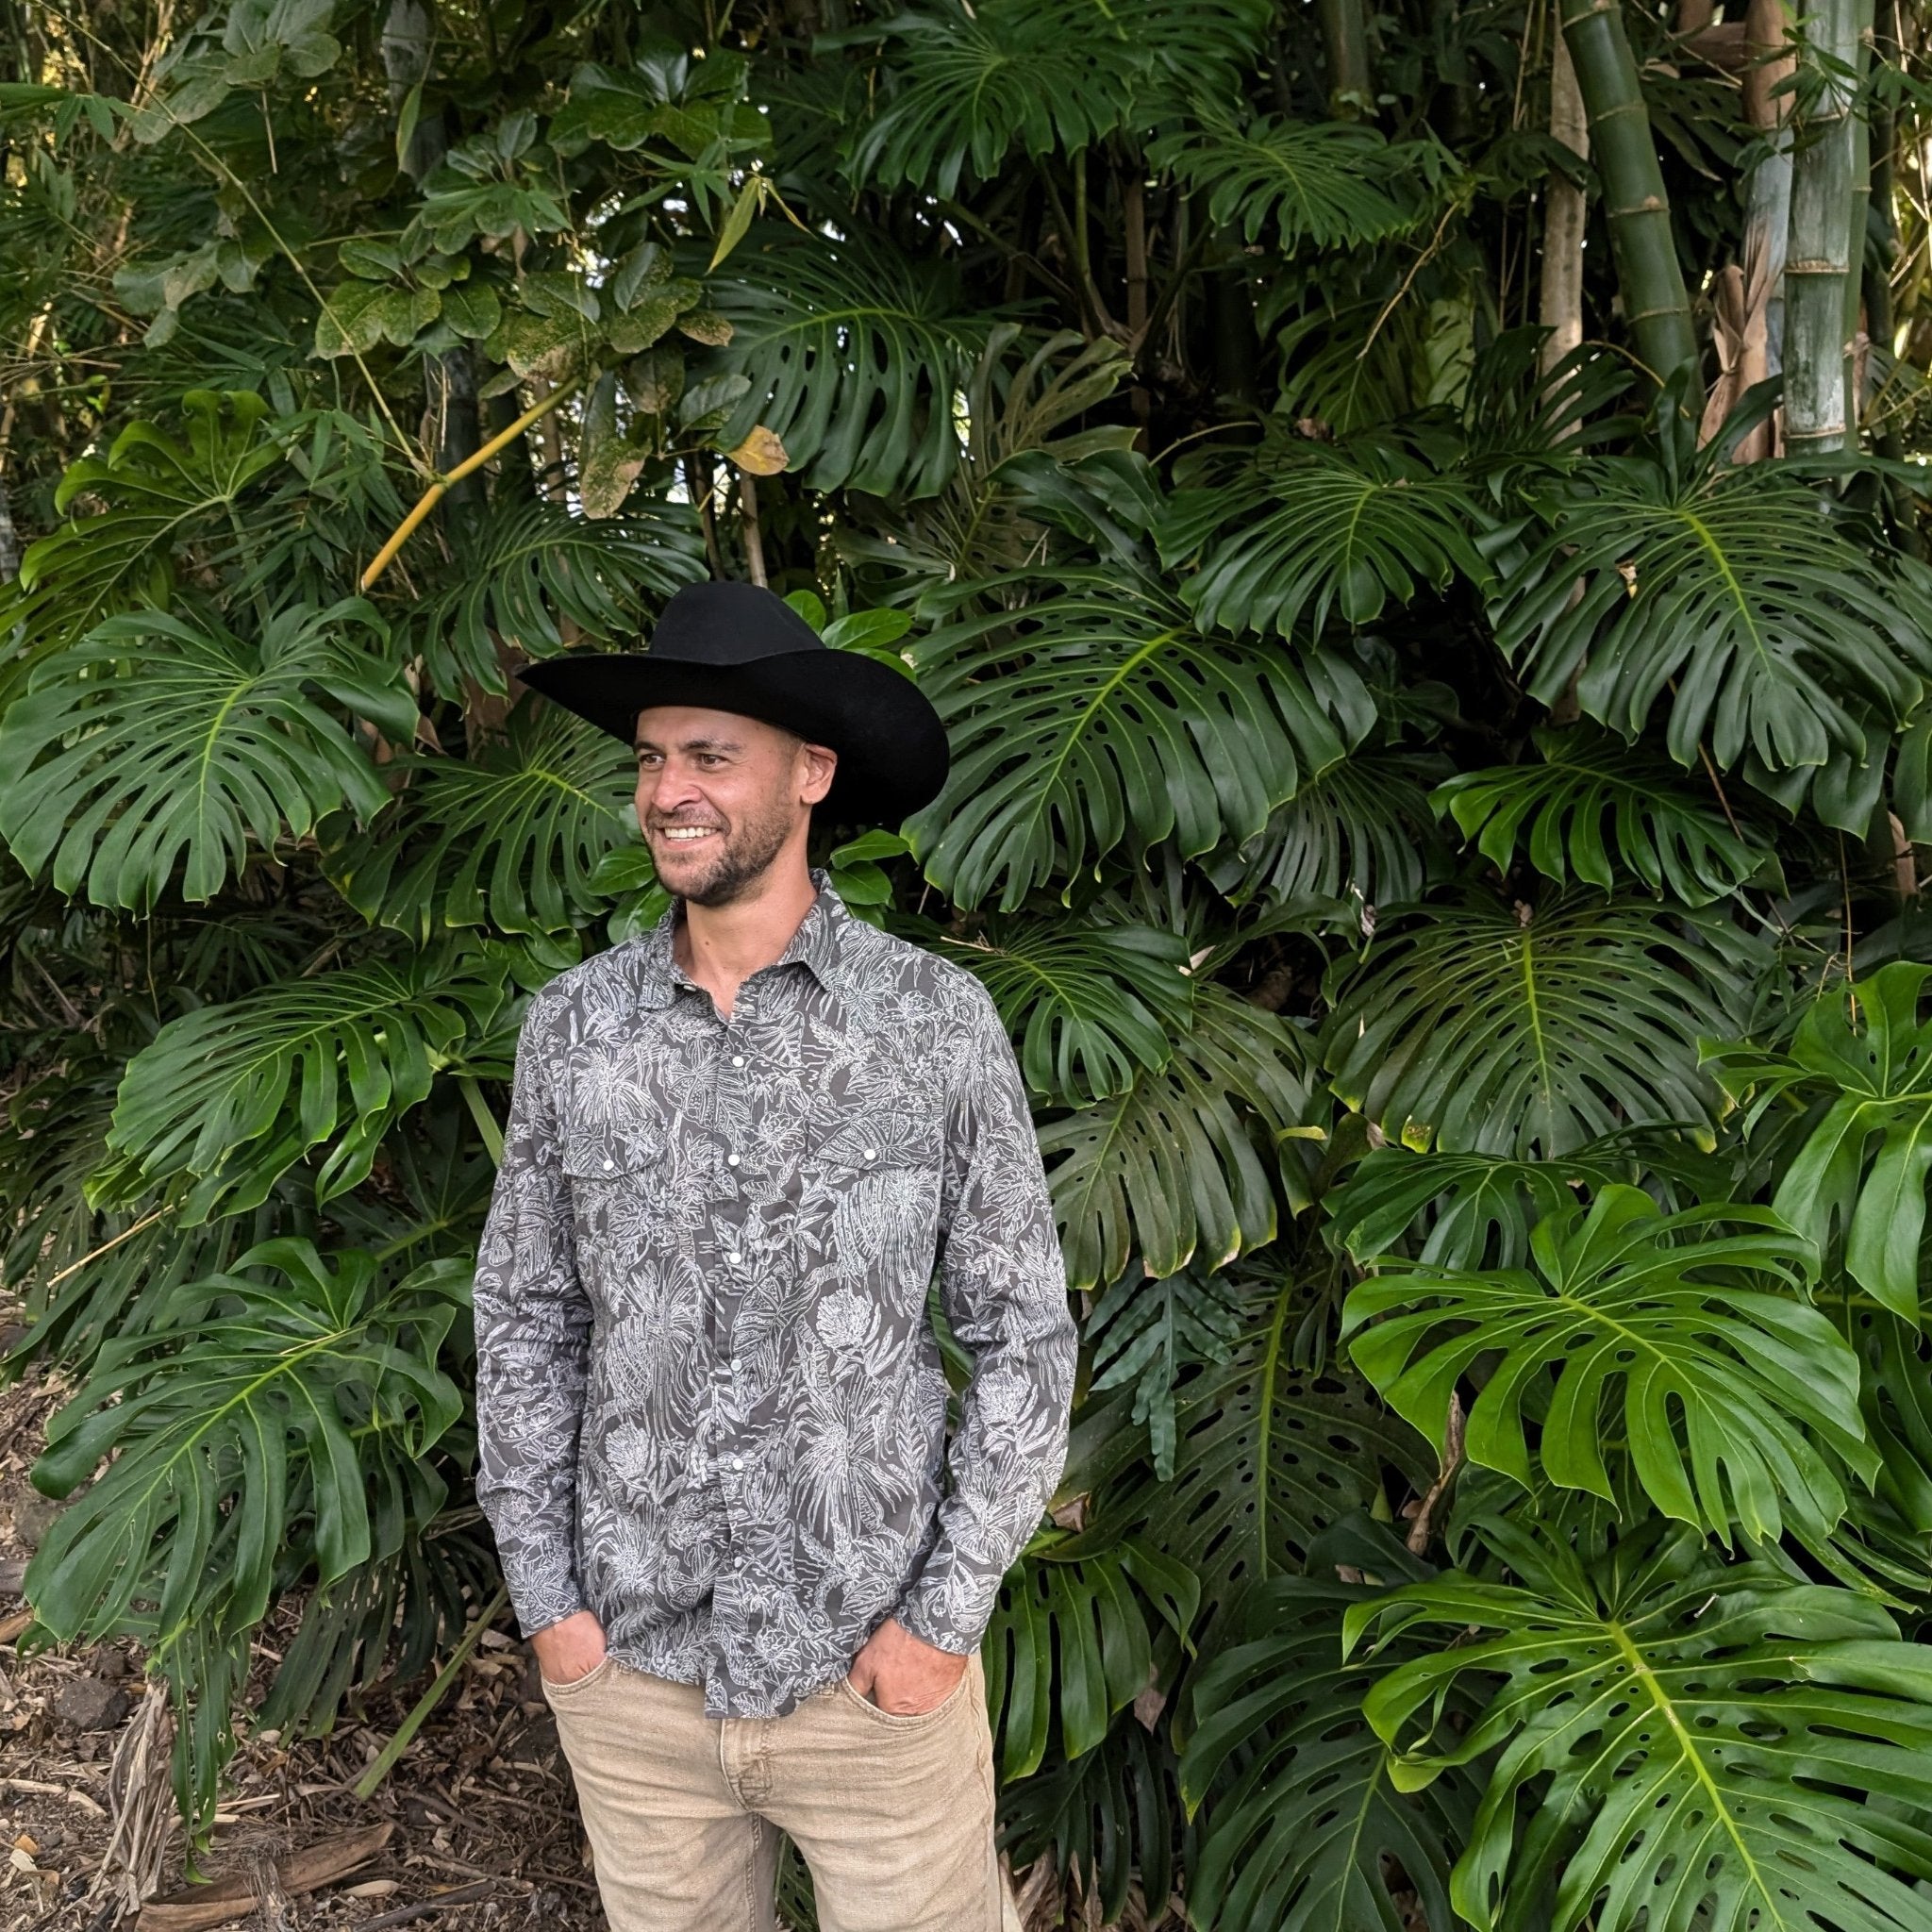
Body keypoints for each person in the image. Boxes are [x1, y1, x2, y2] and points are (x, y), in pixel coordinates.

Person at [472, 580, 1079, 1932]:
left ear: (811, 772)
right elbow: (524, 1313)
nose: (669, 791)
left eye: (709, 755)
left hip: (872, 1682)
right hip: (634, 1680)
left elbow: (1023, 1333)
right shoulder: (575, 1033)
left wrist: (940, 1624)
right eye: (650, 757)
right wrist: (553, 1606)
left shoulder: (933, 1025)